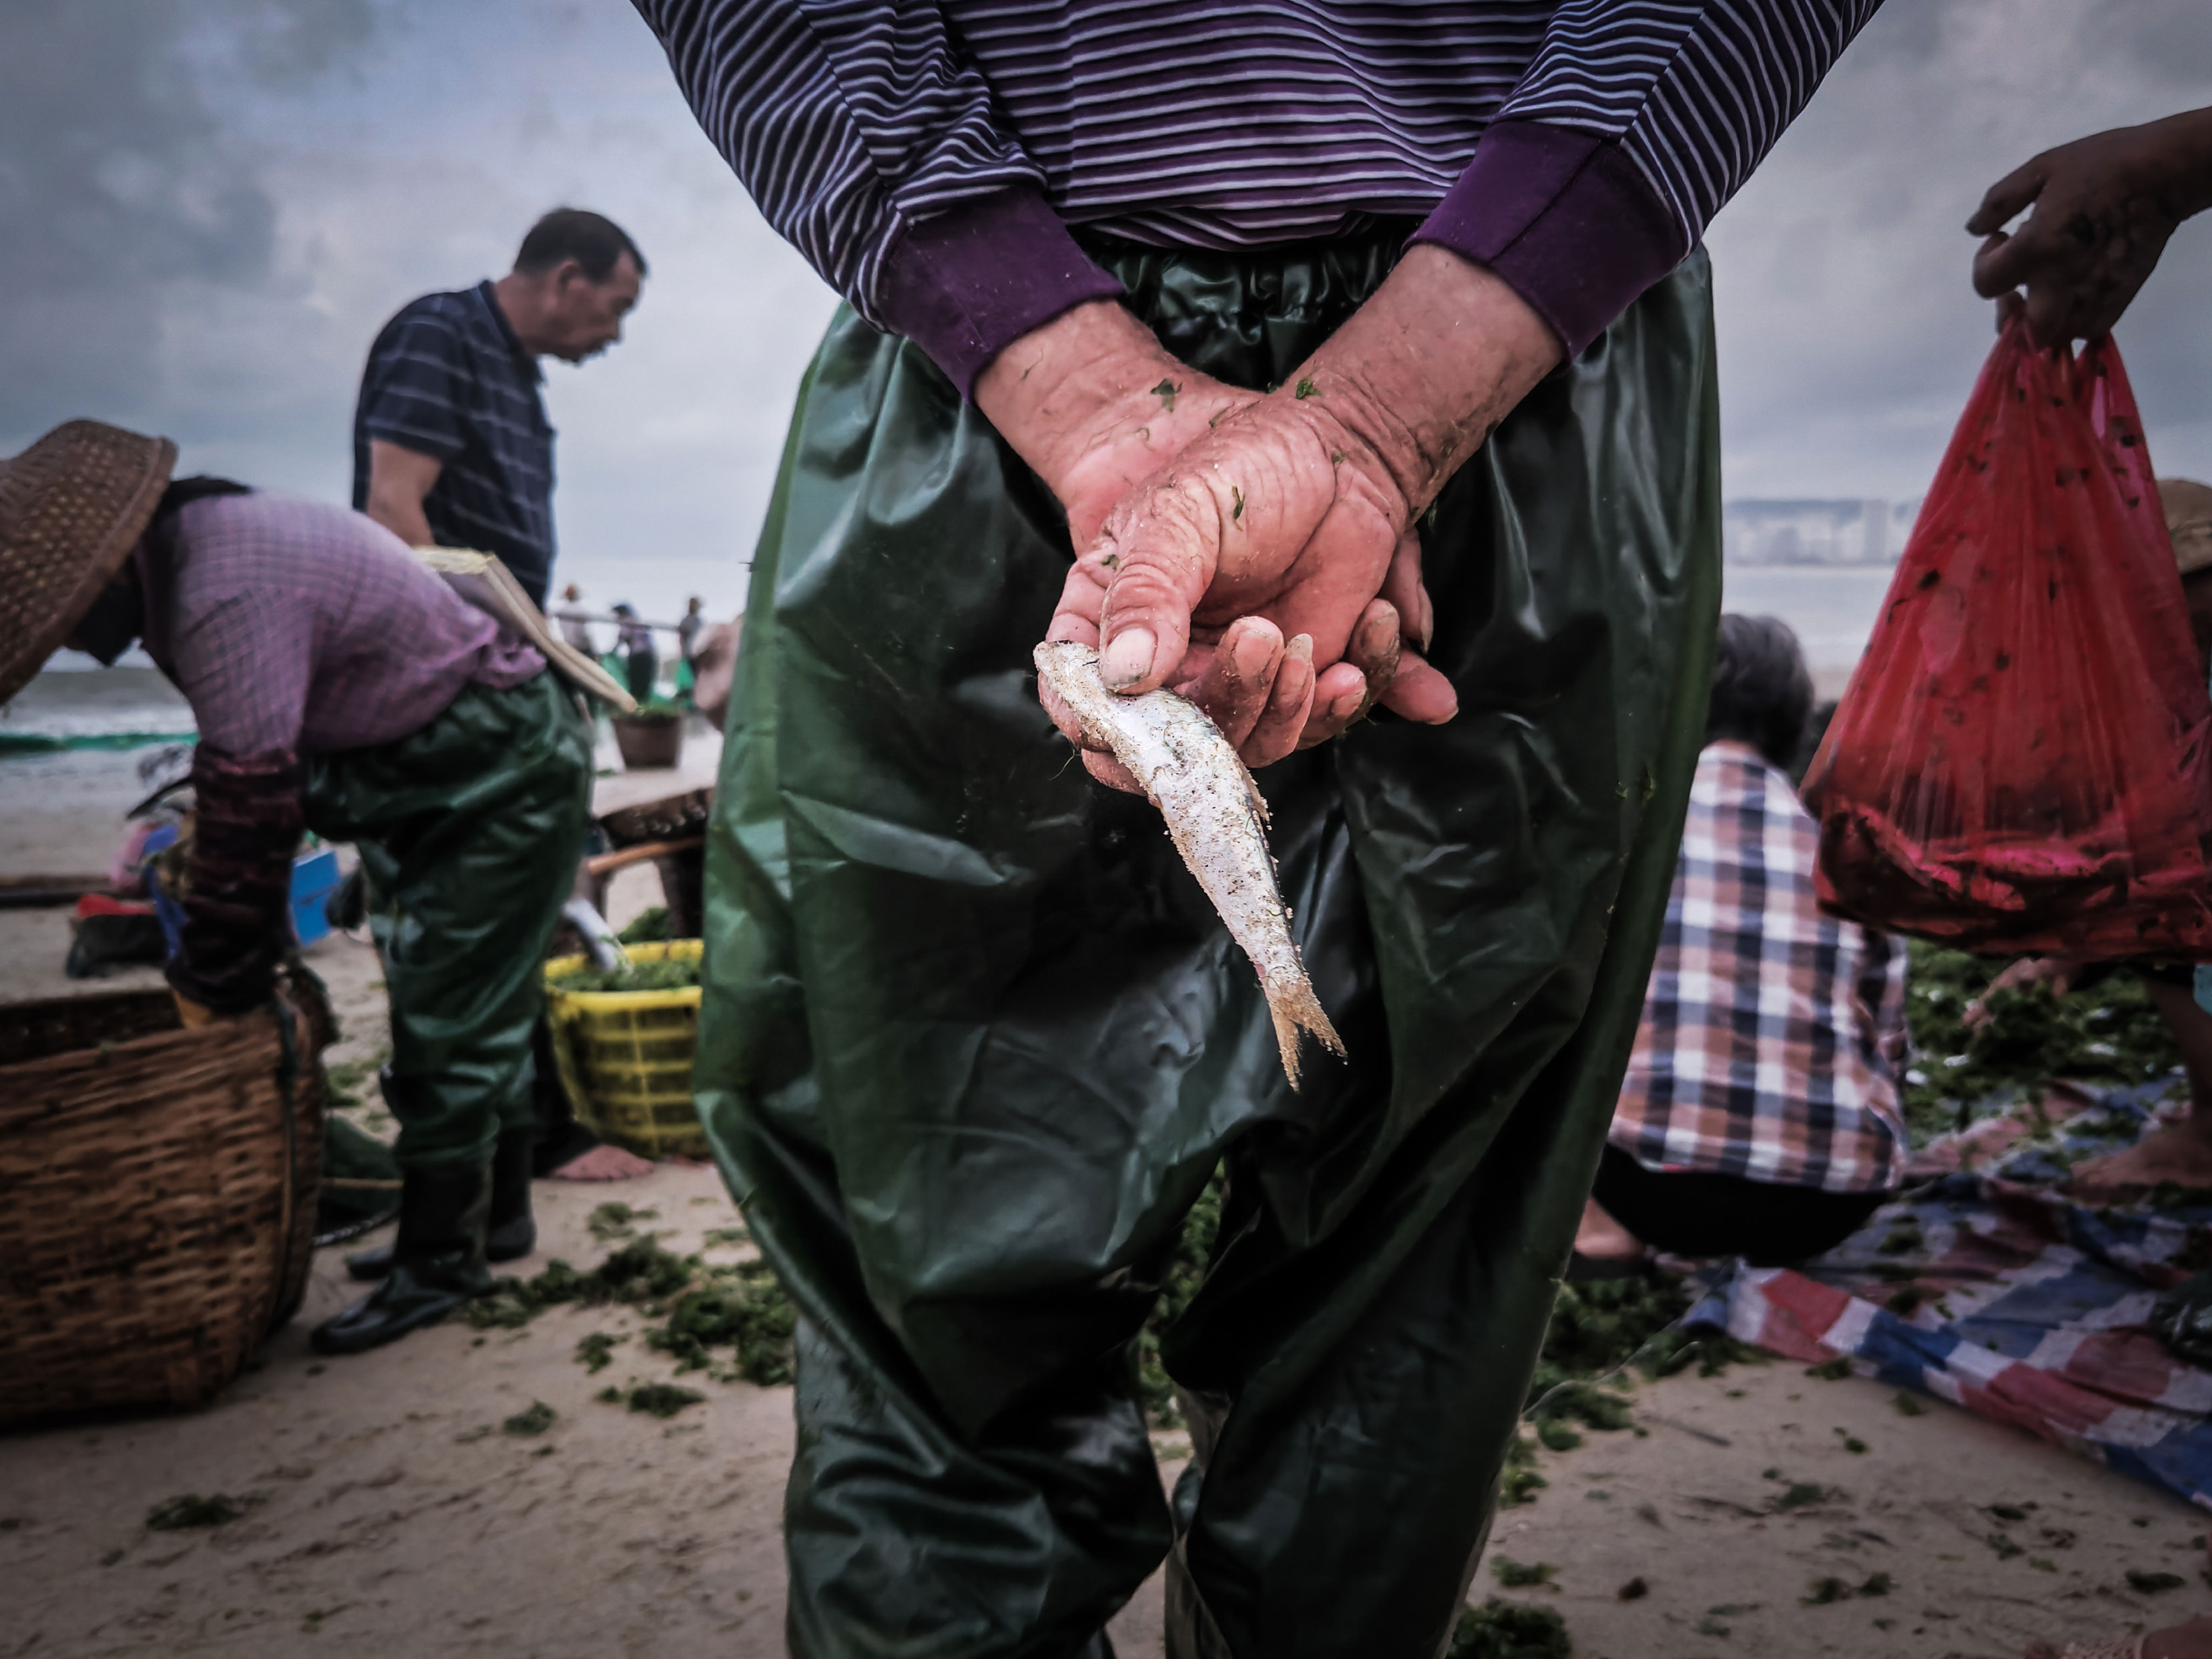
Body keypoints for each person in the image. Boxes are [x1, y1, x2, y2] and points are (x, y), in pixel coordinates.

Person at [631, 4, 1883, 1654]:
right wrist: (1353, 416)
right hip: (1512, 370)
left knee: (1003, 1304)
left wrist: (1157, 399)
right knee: (1372, 1313)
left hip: (1025, 374)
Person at [0, 420, 590, 1355]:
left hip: (496, 762)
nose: (71, 635)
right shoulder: (203, 542)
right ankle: (496, 1216)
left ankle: (441, 1259)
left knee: (449, 1012)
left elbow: (251, 804)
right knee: (467, 997)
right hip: (435, 765)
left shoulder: (216, 586)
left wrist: (214, 984)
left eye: (66, 613)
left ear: (106, 568)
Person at [1574, 616, 1907, 1275]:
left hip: (1644, 1191)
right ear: (1791, 723)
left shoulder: (1622, 832)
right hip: (1832, 1204)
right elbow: (1888, 1045)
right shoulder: (1846, 850)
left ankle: (1600, 1232)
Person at [353, 208, 645, 608]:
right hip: (451, 650)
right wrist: (465, 643)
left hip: (495, 650)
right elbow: (392, 507)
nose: (615, 334)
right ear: (568, 279)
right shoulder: (440, 334)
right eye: (618, 308)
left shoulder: (519, 378)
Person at [611, 602, 657, 704]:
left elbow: (623, 638)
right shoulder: (637, 622)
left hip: (639, 657)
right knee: (644, 685)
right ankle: (642, 708)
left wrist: (612, 652)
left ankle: (637, 709)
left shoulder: (627, 621)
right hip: (649, 656)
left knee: (636, 685)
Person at [558, 581, 598, 657]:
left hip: (568, 645)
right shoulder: (581, 611)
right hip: (581, 647)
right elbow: (583, 632)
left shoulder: (561, 611)